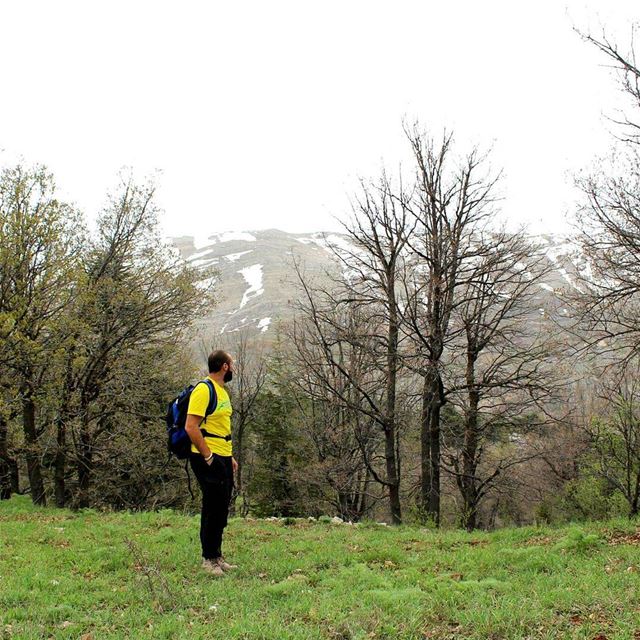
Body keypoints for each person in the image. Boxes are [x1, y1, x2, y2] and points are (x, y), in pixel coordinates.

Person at [185, 349, 238, 576]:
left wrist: (229, 457)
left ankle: (217, 555)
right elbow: (191, 426)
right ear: (224, 366)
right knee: (212, 505)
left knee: (222, 505)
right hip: (207, 455)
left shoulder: (222, 392)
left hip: (223, 454)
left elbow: (220, 427)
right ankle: (208, 559)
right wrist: (208, 456)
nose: (233, 367)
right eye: (231, 363)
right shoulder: (204, 390)